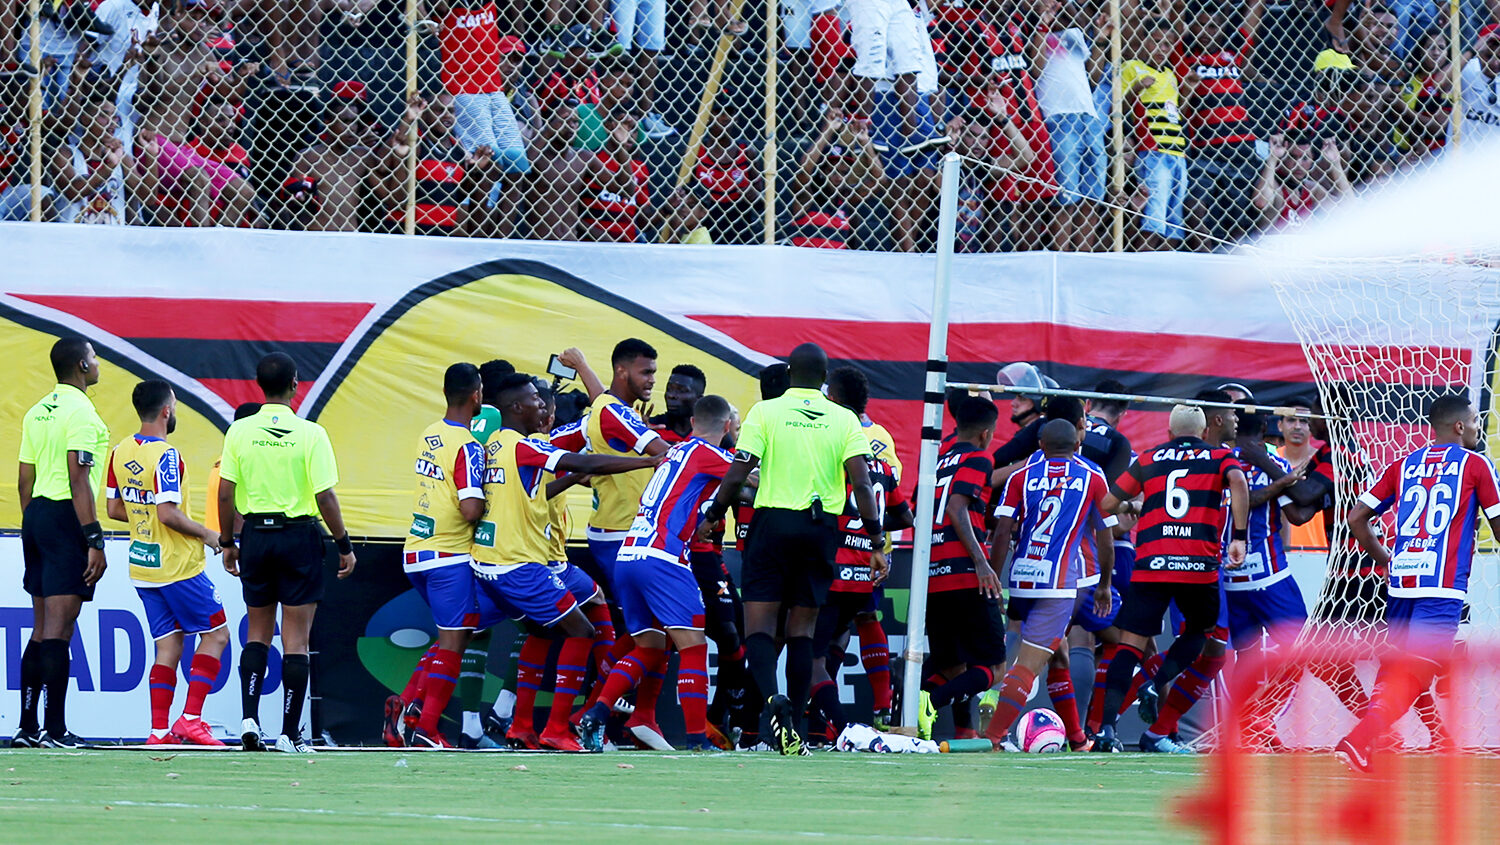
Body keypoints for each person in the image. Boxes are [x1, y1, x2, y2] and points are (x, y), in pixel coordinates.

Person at [698, 342, 882, 755]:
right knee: (802, 630)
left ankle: (771, 702)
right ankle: (794, 723)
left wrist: (713, 514)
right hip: (821, 529)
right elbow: (862, 484)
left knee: (760, 626)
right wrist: (876, 539)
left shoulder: (767, 412)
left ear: (789, 373)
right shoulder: (844, 418)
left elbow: (738, 472)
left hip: (772, 524)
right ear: (824, 378)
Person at [468, 372, 660, 751]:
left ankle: (521, 724)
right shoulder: (525, 447)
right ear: (516, 408)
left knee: (566, 615)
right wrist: (645, 462)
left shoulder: (493, 446)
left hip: (493, 563)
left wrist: (575, 474)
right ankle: (557, 727)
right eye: (536, 402)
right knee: (581, 631)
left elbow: (540, 490)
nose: (542, 407)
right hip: (520, 565)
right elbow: (586, 464)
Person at [1336, 396, 1500, 772]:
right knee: (1418, 670)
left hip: (1402, 582)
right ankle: (1360, 739)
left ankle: (1365, 742)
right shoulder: (1476, 465)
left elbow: (1357, 517)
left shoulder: (1404, 464)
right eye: (1475, 421)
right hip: (1441, 585)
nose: (1477, 427)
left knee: (1396, 666)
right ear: (1460, 426)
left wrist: (1385, 559)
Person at [578, 395, 738, 751]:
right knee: (694, 646)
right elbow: (748, 476)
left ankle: (597, 713)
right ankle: (698, 738)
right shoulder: (706, 453)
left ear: (694, 421)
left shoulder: (674, 451)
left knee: (648, 646)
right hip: (663, 559)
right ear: (726, 427)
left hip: (629, 555)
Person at [217, 352, 358, 754]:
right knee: (295, 640)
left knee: (258, 633)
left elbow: (225, 493)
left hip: (257, 537)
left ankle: (248, 718)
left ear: (259, 386)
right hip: (299, 537)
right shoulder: (311, 433)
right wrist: (344, 544)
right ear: (296, 384)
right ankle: (289, 733)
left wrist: (229, 542)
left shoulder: (240, 432)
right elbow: (325, 496)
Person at [1096, 404, 1247, 753]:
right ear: (1205, 432)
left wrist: (1134, 506)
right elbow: (1238, 482)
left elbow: (1107, 502)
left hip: (1152, 562)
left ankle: (1105, 730)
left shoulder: (1149, 457)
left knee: (1129, 646)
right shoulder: (1220, 457)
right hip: (1197, 563)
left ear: (1168, 433)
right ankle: (1156, 683)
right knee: (1198, 634)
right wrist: (1238, 536)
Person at [106, 380, 227, 746]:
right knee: (217, 634)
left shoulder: (119, 451)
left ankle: (159, 732)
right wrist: (208, 534)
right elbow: (168, 514)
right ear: (166, 411)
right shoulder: (167, 456)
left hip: (144, 565)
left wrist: (145, 521)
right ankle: (191, 719)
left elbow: (114, 509)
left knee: (168, 645)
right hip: (178, 565)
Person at [986, 419, 1114, 751]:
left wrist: (994, 578)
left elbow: (1002, 532)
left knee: (1059, 656)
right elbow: (1105, 538)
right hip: (1058, 585)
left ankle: (1077, 737)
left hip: (1022, 578)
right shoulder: (1091, 478)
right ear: (1077, 445)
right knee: (1028, 665)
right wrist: (1104, 584)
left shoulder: (1020, 476)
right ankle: (993, 738)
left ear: (1040, 444)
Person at [384, 363, 488, 748]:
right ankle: (426, 728)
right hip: (450, 554)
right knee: (453, 644)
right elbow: (470, 509)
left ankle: (406, 708)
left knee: (451, 637)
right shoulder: (469, 445)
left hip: (416, 552)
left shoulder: (429, 433)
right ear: (476, 394)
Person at [14, 338, 109, 748]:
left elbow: (23, 479)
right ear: (82, 366)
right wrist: (93, 538)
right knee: (59, 629)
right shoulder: (82, 413)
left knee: (40, 629)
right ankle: (55, 730)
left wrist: (34, 524)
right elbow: (78, 478)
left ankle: (28, 727)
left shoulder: (38, 411)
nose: (98, 362)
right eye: (94, 356)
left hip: (36, 515)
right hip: (67, 517)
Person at [807, 367, 912, 740]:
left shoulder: (835, 439)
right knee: (849, 629)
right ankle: (849, 717)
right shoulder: (879, 444)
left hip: (841, 557)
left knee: (811, 651)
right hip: (871, 552)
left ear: (832, 399)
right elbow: (898, 500)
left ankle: (846, 725)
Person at [913, 395, 1002, 742]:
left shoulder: (934, 461)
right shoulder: (980, 458)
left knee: (951, 667)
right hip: (965, 573)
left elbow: (918, 509)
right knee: (994, 667)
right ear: (984, 434)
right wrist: (981, 561)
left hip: (931, 573)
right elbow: (956, 507)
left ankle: (909, 706)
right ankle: (930, 704)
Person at [1176, 0, 1266, 250]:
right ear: (1191, 27)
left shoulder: (1232, 52)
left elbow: (1253, 15)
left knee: (1241, 207)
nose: (1206, 31)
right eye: (1201, 25)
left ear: (1222, 27)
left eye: (1213, 26)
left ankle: (1234, 258)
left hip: (1241, 144)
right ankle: (1206, 253)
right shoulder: (1186, 56)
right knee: (1195, 201)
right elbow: (1173, 18)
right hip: (1205, 144)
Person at [582, 338, 671, 588]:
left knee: (644, 618)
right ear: (621, 371)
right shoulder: (612, 411)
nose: (653, 379)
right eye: (646, 372)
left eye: (653, 372)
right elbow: (668, 455)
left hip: (623, 528)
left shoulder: (620, 410)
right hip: (619, 532)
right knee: (642, 617)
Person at [1121, 17, 1189, 250]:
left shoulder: (1170, 75)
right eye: (1156, 42)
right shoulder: (1132, 67)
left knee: (1174, 216)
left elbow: (1176, 111)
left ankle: (1166, 264)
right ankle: (1144, 262)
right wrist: (1138, 88)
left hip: (1177, 150)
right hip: (1152, 148)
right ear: (1143, 41)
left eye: (1166, 45)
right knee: (1154, 214)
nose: (1161, 49)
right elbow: (1118, 107)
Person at [649, 364, 707, 443]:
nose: (671, 395)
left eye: (682, 390)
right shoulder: (652, 427)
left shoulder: (711, 434)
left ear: (699, 400)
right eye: (669, 389)